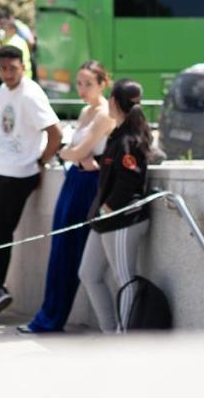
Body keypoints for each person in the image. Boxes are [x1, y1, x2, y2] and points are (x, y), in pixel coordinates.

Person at [0, 44, 59, 325]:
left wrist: (40, 162)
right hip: (1, 167)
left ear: (23, 67)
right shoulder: (4, 90)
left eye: (13, 69)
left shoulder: (31, 94)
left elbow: (54, 133)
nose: (7, 75)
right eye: (3, 69)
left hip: (20, 174)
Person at [20, 61, 115, 334]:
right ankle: (48, 316)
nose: (83, 89)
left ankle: (53, 318)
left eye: (88, 84)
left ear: (102, 84)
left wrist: (74, 154)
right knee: (60, 248)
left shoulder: (105, 113)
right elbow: (69, 151)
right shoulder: (86, 111)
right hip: (75, 179)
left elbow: (75, 150)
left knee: (71, 251)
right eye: (79, 83)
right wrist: (74, 154)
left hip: (90, 184)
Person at [79, 81, 155, 333]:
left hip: (123, 221)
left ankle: (123, 338)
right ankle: (110, 332)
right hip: (105, 220)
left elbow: (129, 181)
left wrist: (109, 207)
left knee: (126, 279)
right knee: (89, 274)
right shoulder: (119, 135)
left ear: (113, 102)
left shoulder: (129, 139)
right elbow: (115, 169)